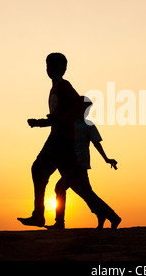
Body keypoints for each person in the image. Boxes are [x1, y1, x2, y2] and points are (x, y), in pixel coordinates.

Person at [17, 52, 85, 227]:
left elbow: (80, 105)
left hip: (61, 139)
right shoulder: (54, 89)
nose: (51, 69)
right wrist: (39, 123)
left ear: (63, 68)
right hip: (59, 137)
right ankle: (55, 220)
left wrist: (61, 120)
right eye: (48, 66)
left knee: (38, 169)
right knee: (75, 184)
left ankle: (39, 216)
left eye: (55, 66)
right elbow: (57, 117)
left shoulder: (63, 85)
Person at [46, 97, 121, 229]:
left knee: (61, 188)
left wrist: (106, 158)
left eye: (88, 108)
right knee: (86, 193)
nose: (86, 110)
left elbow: (96, 143)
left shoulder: (87, 125)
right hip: (70, 164)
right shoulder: (68, 123)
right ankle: (110, 216)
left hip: (79, 164)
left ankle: (60, 223)